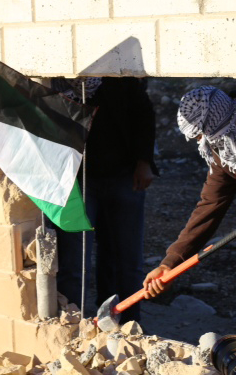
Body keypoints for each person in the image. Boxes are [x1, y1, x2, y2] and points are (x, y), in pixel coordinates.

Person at [142, 81, 236, 342]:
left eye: (204, 136)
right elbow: (209, 206)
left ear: (223, 122)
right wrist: (170, 263)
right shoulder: (226, 147)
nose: (204, 143)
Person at [50, 76, 157, 322]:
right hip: (75, 184)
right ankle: (73, 325)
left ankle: (129, 325)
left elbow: (143, 114)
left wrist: (144, 161)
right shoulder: (57, 85)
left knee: (126, 259)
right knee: (74, 262)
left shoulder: (118, 75)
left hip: (124, 177)